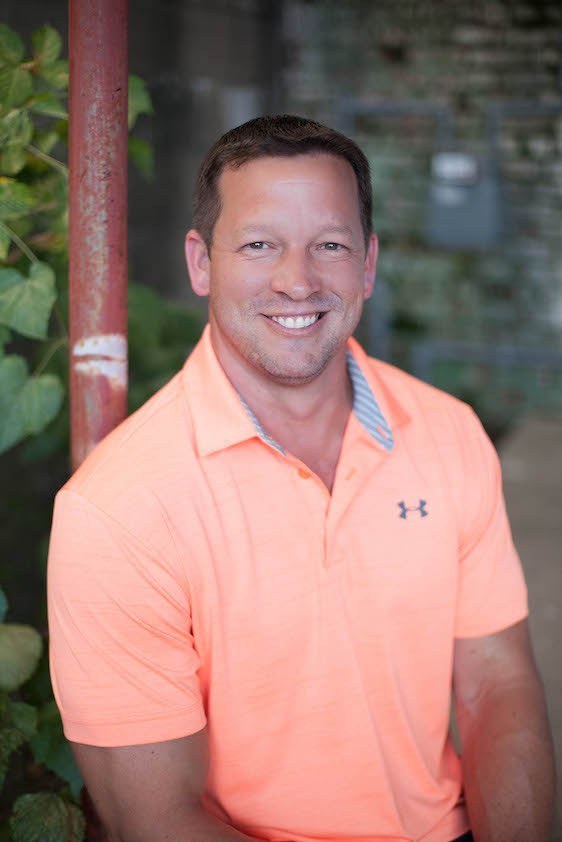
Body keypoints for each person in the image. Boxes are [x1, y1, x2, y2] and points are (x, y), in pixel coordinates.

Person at [47, 115, 556, 842]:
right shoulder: (118, 509)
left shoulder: (449, 434)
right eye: (260, 244)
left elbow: (497, 684)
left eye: (331, 245)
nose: (298, 281)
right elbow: (155, 818)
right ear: (201, 263)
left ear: (368, 264)